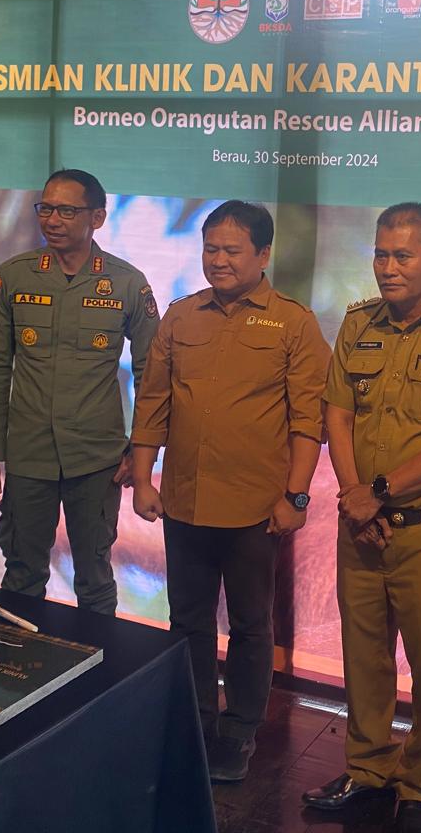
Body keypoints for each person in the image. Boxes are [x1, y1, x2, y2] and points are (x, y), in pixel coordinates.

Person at [303, 203, 421, 833]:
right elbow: (337, 415)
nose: (388, 268)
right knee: (364, 655)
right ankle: (367, 770)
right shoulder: (357, 325)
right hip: (362, 525)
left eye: (402, 256)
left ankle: (418, 787)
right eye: (381, 255)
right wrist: (355, 496)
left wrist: (379, 493)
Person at [130, 200, 330, 783]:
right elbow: (153, 403)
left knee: (249, 625)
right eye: (210, 248)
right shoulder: (181, 317)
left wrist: (295, 497)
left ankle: (240, 730)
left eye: (232, 250)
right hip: (184, 501)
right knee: (187, 621)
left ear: (263, 255)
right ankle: (195, 722)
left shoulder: (293, 323)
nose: (218, 260)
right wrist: (142, 478)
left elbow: (308, 421)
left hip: (254, 510)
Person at [0, 168, 157, 615]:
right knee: (21, 572)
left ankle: (99, 659)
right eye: (46, 209)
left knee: (95, 576)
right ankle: (19, 658)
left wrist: (141, 450)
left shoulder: (127, 283)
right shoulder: (14, 277)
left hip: (97, 459)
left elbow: (152, 374)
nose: (52, 220)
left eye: (67, 211)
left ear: (97, 218)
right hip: (28, 453)